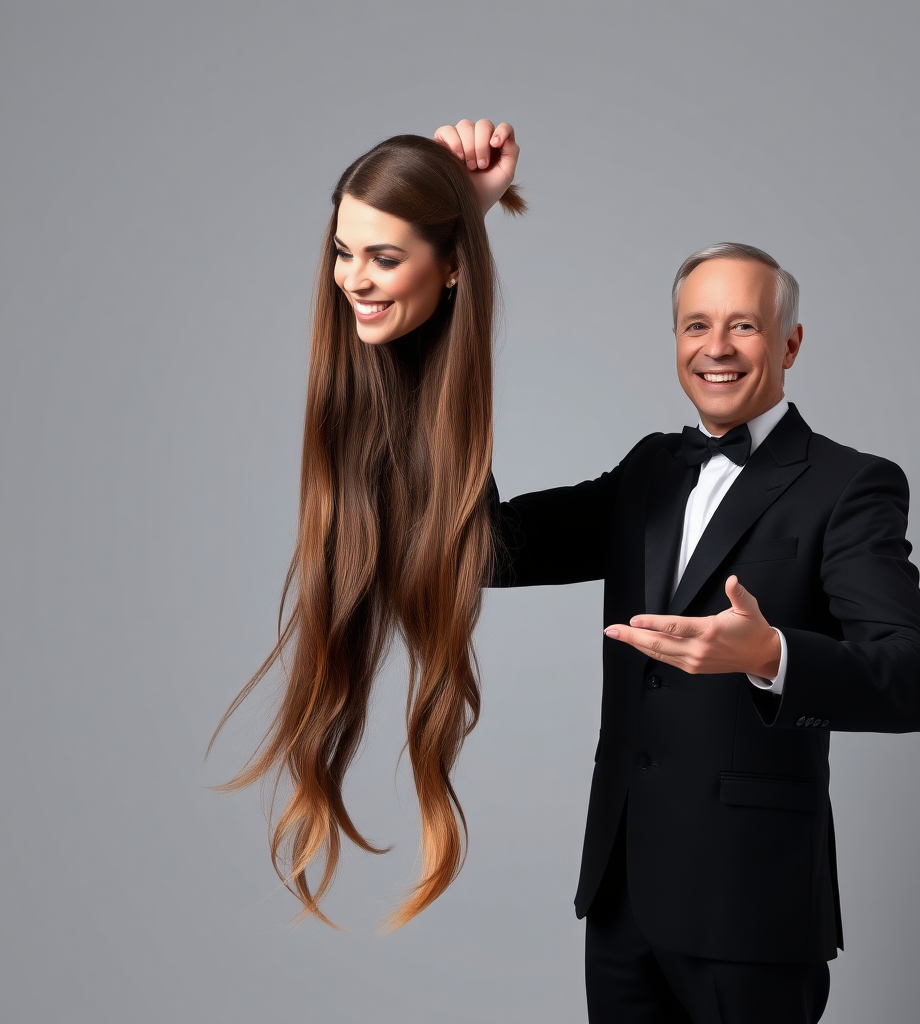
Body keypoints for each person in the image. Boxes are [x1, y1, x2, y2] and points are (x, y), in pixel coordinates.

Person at [436, 119, 920, 1024]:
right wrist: (454, 247)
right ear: (675, 340)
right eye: (696, 325)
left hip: (752, 914)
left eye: (744, 325)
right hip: (623, 898)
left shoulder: (850, 485)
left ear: (789, 345)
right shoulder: (649, 468)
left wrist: (773, 655)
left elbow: (919, 682)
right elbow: (482, 545)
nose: (716, 347)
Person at [212, 128, 524, 929]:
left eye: (383, 258)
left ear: (451, 267)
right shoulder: (352, 385)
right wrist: (464, 218)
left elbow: (473, 542)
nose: (353, 278)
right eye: (344, 251)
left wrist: (467, 220)